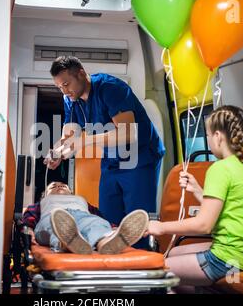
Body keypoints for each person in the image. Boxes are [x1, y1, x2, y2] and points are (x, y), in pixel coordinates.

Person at [44, 56, 166, 248]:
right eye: (60, 87)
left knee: (136, 220)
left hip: (139, 157)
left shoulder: (111, 88)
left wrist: (84, 141)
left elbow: (128, 133)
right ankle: (110, 263)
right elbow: (70, 134)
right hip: (111, 158)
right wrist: (58, 150)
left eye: (66, 84)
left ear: (82, 74)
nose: (65, 91)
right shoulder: (70, 99)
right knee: (108, 218)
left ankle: (139, 266)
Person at [145, 105, 243, 289]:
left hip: (231, 259)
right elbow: (231, 209)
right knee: (174, 253)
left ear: (218, 137)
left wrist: (161, 227)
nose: (207, 139)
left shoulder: (220, 168)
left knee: (156, 274)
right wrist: (197, 189)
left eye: (207, 134)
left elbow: (204, 224)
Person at [22, 181, 149, 254]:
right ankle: (65, 243)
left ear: (71, 192)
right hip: (52, 217)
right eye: (53, 186)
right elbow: (28, 220)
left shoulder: (82, 202)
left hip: (83, 217)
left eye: (63, 185)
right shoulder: (41, 204)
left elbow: (98, 218)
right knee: (56, 225)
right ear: (45, 195)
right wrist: (29, 232)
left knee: (96, 224)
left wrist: (115, 229)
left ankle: (106, 243)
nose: (59, 187)